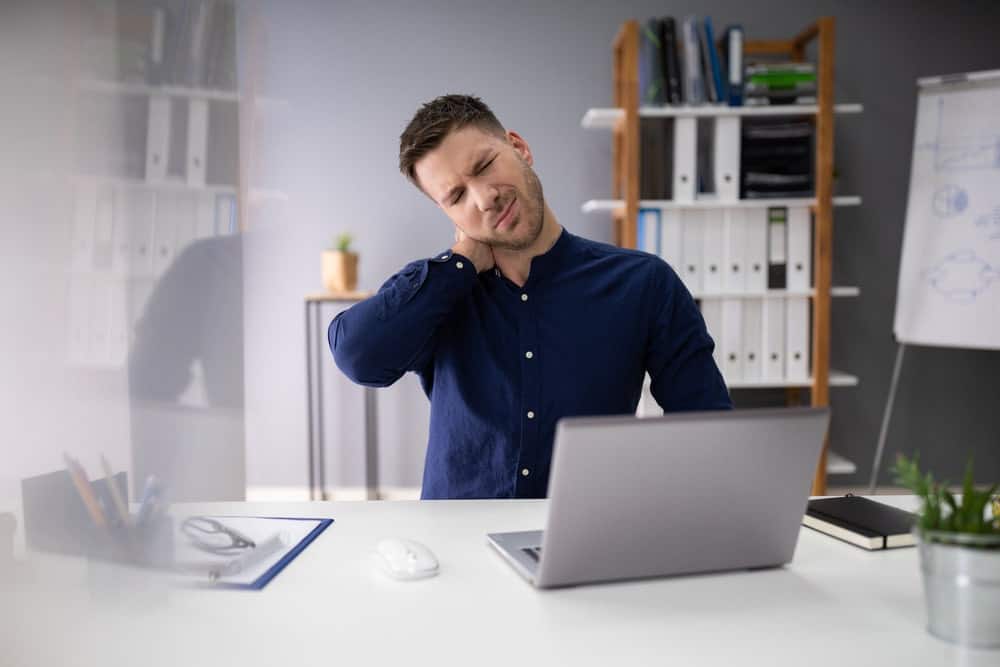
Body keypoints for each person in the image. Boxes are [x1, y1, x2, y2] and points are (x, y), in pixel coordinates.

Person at [330, 94, 731, 500]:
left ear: (519, 148)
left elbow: (707, 429)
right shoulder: (437, 293)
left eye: (484, 166)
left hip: (585, 539)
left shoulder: (644, 284)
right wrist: (462, 263)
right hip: (457, 547)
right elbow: (358, 358)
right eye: (456, 198)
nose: (485, 198)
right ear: (447, 213)